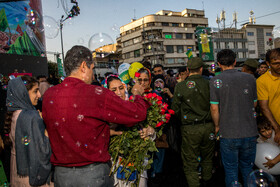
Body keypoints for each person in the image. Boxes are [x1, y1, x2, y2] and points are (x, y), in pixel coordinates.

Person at [42, 45, 150, 187]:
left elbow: (68, 127)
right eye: (92, 68)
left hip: (61, 176)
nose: (93, 75)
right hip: (92, 174)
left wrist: (105, 131)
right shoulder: (96, 93)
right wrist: (137, 95)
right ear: (83, 66)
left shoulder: (49, 94)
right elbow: (137, 114)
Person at [210, 49, 258, 187]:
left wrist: (217, 126)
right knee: (248, 170)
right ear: (235, 62)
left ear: (219, 63)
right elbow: (254, 103)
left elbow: (214, 108)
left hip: (228, 132)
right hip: (250, 132)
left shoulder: (215, 80)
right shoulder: (250, 78)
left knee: (231, 171)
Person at [172, 57, 215, 187]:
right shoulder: (210, 84)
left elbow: (175, 109)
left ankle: (194, 184)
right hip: (208, 126)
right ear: (201, 69)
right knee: (208, 158)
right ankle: (207, 181)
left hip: (189, 128)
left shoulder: (180, 86)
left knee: (190, 162)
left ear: (187, 70)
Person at [105, 75, 154, 187]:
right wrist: (108, 132)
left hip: (138, 166)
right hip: (114, 167)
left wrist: (150, 131)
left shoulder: (136, 106)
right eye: (113, 90)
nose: (119, 93)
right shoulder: (104, 113)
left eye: (121, 88)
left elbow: (151, 135)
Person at [5, 76, 52, 186]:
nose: (39, 95)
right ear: (23, 94)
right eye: (35, 91)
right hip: (33, 175)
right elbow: (43, 151)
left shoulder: (13, 114)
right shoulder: (32, 117)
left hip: (17, 173)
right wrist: (46, 130)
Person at [257, 48, 280, 144]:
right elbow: (264, 107)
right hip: (272, 129)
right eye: (275, 63)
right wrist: (277, 129)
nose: (279, 66)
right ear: (268, 63)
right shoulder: (262, 81)